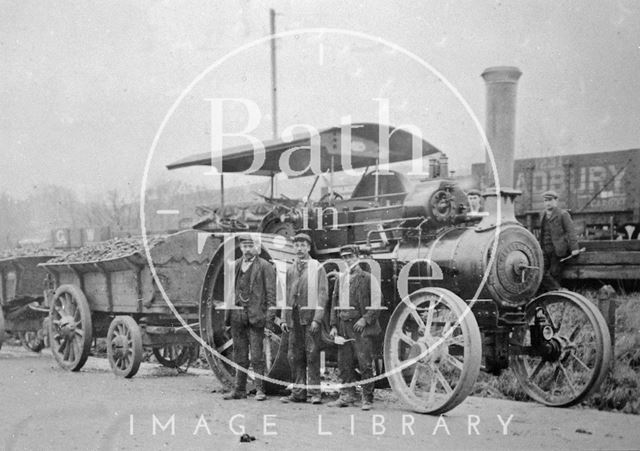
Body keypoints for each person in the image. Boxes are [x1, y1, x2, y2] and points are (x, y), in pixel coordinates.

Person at [276, 233, 329, 404]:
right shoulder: (291, 270)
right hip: (294, 320)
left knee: (312, 355)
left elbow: (323, 295)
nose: (299, 248)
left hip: (310, 319)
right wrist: (284, 319)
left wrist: (317, 319)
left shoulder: (317, 268)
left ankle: (314, 394)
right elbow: (287, 296)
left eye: (303, 245)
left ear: (308, 247)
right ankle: (299, 392)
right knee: (294, 355)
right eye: (297, 245)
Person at [328, 245, 382, 411]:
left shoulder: (368, 278)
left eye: (350, 256)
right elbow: (334, 303)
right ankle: (347, 395)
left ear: (358, 257)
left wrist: (365, 320)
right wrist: (333, 325)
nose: (347, 260)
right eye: (344, 257)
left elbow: (377, 302)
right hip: (343, 326)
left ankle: (367, 398)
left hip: (360, 328)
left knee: (364, 362)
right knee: (344, 362)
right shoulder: (341, 279)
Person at [223, 234, 276, 401]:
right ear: (241, 248)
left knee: (257, 355)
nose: (246, 250)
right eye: (244, 246)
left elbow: (271, 297)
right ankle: (239, 389)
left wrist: (269, 320)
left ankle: (260, 390)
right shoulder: (236, 266)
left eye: (250, 246)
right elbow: (229, 293)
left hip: (256, 316)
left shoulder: (265, 266)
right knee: (240, 354)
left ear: (257, 247)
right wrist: (227, 319)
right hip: (237, 316)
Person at [538, 190, 580, 292]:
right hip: (544, 250)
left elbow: (571, 232)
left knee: (554, 273)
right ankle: (558, 290)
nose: (547, 203)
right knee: (540, 271)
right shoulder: (542, 215)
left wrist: (574, 248)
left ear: (556, 201)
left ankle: (555, 294)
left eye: (550, 200)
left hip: (558, 250)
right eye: (545, 201)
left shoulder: (563, 214)